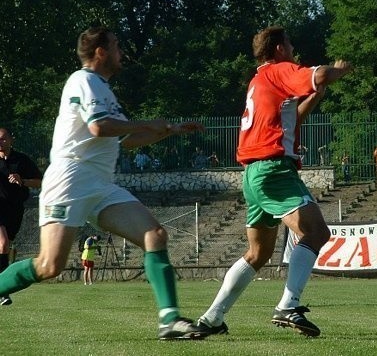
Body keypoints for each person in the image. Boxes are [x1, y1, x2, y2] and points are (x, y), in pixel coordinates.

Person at [0, 26, 209, 340]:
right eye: (116, 46)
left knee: (155, 234)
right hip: (69, 181)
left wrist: (169, 129)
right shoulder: (83, 80)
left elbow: (124, 139)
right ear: (100, 52)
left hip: (99, 184)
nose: (121, 52)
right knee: (49, 265)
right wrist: (147, 123)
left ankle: (170, 320)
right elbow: (99, 127)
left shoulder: (104, 90)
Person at [195, 26, 352, 337]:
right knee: (316, 231)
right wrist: (337, 71)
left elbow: (292, 117)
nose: (293, 50)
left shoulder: (259, 80)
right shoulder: (279, 70)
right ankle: (288, 305)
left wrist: (316, 96)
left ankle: (212, 318)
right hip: (273, 168)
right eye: (290, 44)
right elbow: (317, 75)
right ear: (279, 48)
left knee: (257, 253)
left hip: (253, 173)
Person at [0, 127, 43, 306]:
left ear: (11, 140)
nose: (0, 142)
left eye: (3, 138)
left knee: (5, 247)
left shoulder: (22, 160)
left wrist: (22, 181)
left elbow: (40, 182)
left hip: (15, 210)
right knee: (3, 244)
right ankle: (3, 291)